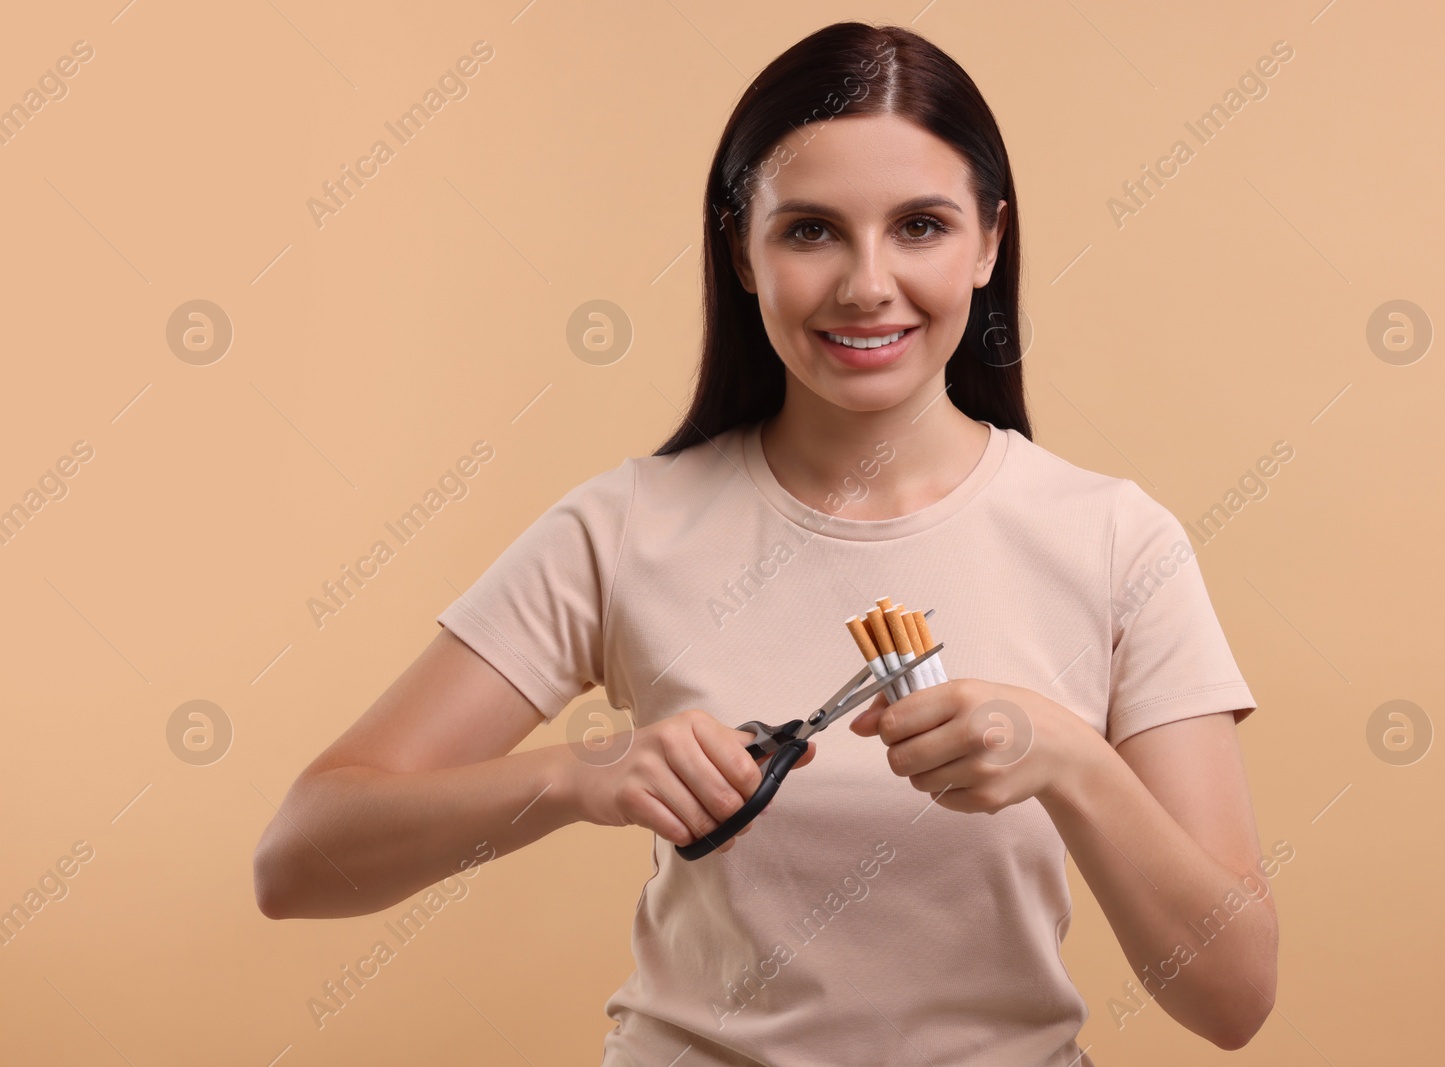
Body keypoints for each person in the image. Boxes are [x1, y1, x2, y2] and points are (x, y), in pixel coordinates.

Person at [253, 20, 1278, 1065]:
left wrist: (1068, 758)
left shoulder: (1114, 539)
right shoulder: (624, 528)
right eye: (810, 231)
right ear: (741, 249)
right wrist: (579, 777)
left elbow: (1233, 994)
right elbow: (297, 859)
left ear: (989, 242)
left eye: (920, 225)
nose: (866, 284)